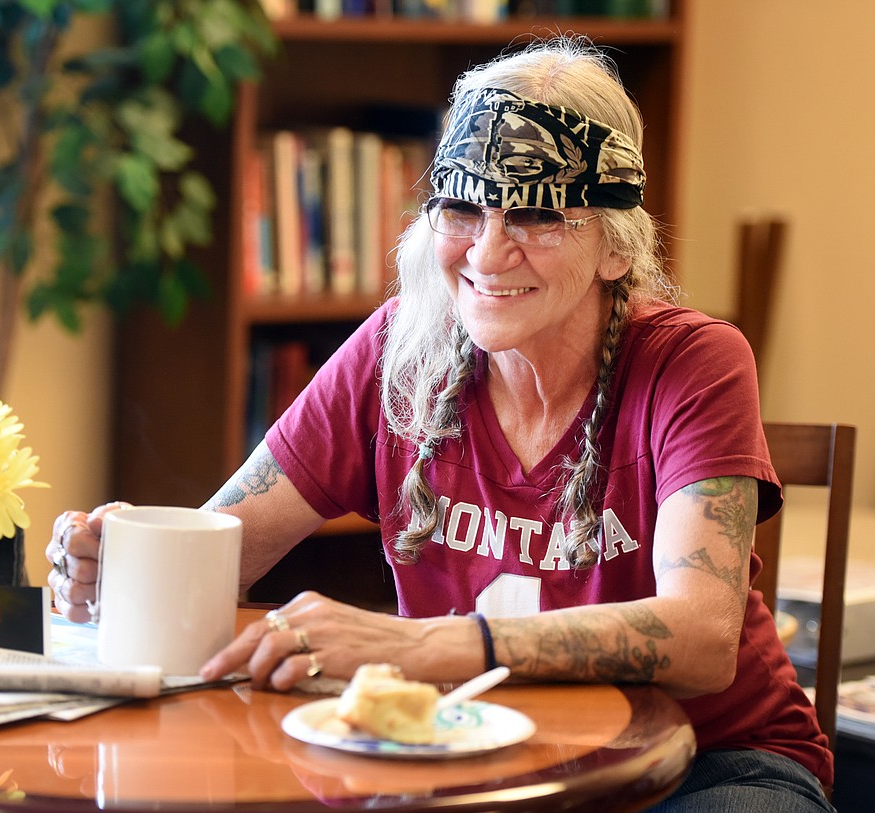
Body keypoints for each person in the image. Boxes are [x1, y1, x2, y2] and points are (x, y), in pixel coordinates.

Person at [45, 37, 834, 812]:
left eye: (537, 214)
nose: (489, 253)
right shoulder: (399, 349)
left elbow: (701, 638)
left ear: (615, 246)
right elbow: (223, 546)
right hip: (467, 757)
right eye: (462, 207)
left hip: (707, 766)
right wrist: (120, 560)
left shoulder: (696, 360)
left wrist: (417, 645)